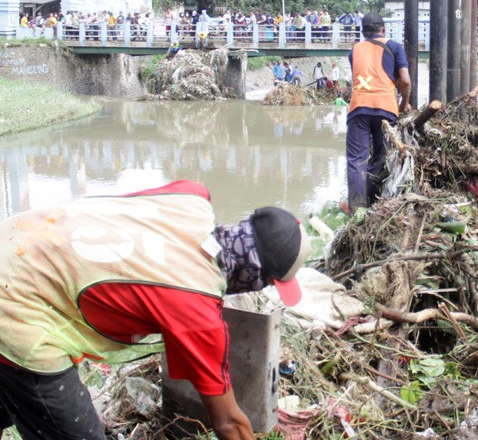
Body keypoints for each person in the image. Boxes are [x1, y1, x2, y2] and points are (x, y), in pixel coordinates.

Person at [0, 180, 311, 440]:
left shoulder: (191, 197)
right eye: (266, 283)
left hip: (20, 236)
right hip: (16, 301)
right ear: (254, 273)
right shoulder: (196, 308)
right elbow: (229, 422)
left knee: (11, 395)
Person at [346, 12, 412, 212]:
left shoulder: (354, 50)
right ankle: (371, 199)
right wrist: (404, 103)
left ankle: (357, 210)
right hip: (386, 108)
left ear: (363, 31)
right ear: (383, 29)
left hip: (359, 107)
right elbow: (405, 81)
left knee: (357, 160)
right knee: (382, 156)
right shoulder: (394, 46)